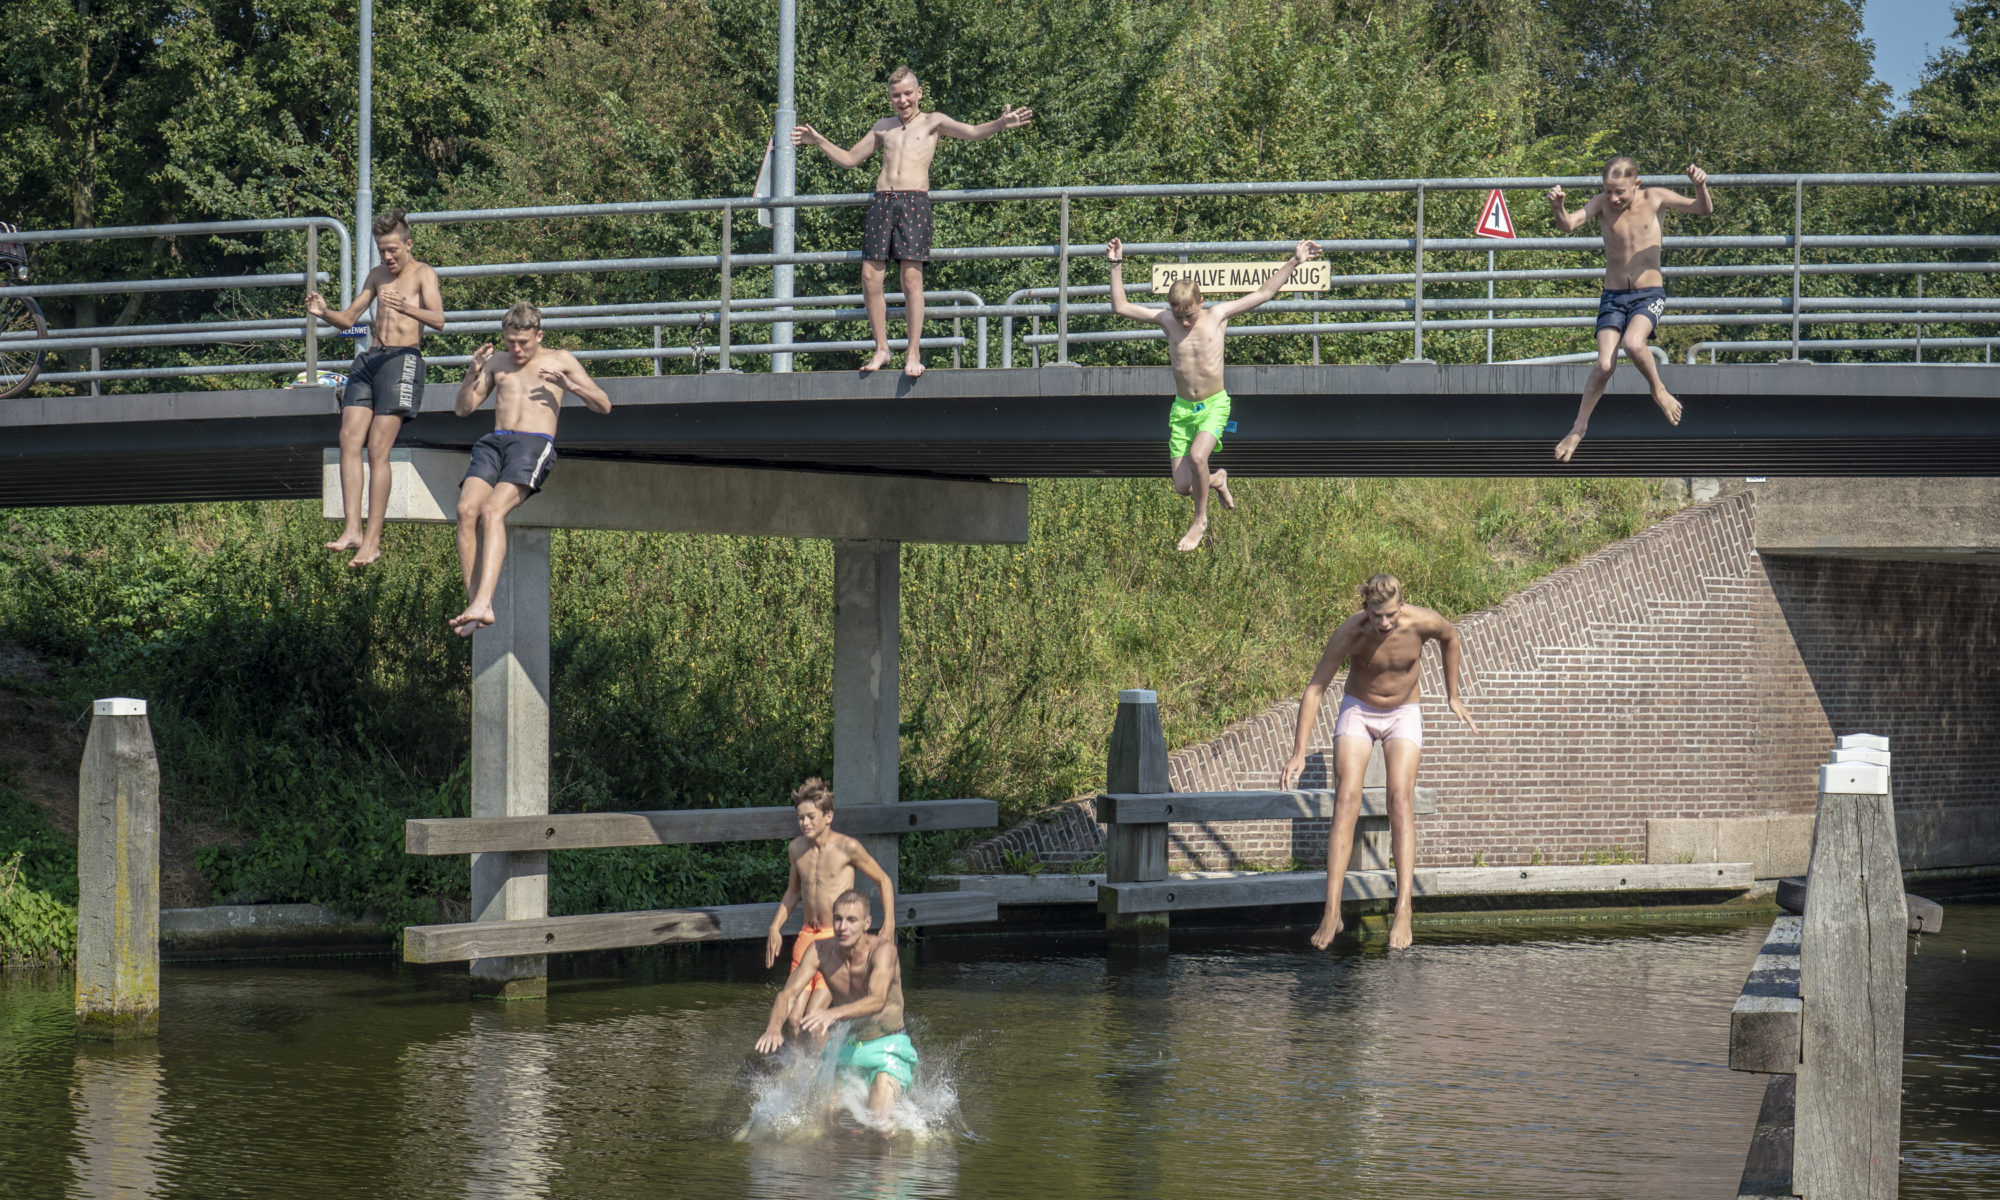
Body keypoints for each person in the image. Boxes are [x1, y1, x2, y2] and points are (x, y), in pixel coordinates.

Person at [1278, 573, 1477, 951]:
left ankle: (1403, 909)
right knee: (1346, 800)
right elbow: (1316, 687)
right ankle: (1332, 912)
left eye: (1389, 615)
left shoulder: (1421, 622)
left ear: (1402, 605)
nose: (1383, 624)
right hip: (1360, 710)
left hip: (1403, 711)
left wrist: (1453, 695)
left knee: (1399, 799)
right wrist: (1299, 750)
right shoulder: (1352, 632)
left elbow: (1450, 637)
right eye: (1375, 616)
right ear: (1364, 609)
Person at [792, 66, 1032, 378]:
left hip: (914, 202)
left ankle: (913, 351)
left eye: (907, 93)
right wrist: (819, 140)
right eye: (896, 95)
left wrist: (1000, 123)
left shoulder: (935, 121)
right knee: (869, 277)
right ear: (890, 98)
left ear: (919, 92)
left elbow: (972, 132)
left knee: (911, 279)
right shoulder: (883, 127)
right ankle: (882, 348)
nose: (902, 100)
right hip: (883, 201)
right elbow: (850, 159)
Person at [1105, 236, 1321, 551]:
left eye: (1189, 315)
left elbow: (1264, 292)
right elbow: (1120, 306)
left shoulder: (1218, 316)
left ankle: (1200, 521)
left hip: (1213, 406)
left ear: (1200, 302)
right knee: (1183, 486)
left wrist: (1294, 261)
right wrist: (1115, 264)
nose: (1185, 322)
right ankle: (1217, 479)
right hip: (1182, 410)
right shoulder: (1167, 321)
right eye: (1179, 317)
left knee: (1197, 456)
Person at [447, 301, 610, 636]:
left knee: (492, 511)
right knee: (466, 510)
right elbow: (463, 410)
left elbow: (603, 405)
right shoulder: (497, 362)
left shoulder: (560, 359)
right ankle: (476, 606)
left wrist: (570, 385)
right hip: (496, 442)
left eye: (523, 342)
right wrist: (472, 371)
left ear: (539, 334)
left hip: (532, 443)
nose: (517, 349)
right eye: (510, 342)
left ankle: (484, 601)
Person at [1547, 159, 1714, 463]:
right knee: (1604, 366)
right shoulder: (1600, 204)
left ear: (1636, 185)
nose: (1613, 198)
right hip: (1612, 296)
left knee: (1634, 344)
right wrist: (1559, 207)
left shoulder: (1655, 197)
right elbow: (1569, 224)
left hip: (1648, 293)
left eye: (1619, 192)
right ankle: (1578, 428)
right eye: (1608, 191)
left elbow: (1703, 209)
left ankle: (1658, 390)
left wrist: (1699, 185)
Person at [308, 209, 445, 567]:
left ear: (408, 245)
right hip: (370, 359)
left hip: (403, 360)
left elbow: (440, 320)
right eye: (383, 250)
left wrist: (407, 308)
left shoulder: (423, 274)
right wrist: (324, 312)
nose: (388, 257)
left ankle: (373, 540)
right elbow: (349, 320)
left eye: (394, 250)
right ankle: (352, 529)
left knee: (377, 448)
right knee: (348, 440)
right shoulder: (376, 276)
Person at [755, 889, 917, 1124]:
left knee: (879, 1124)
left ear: (866, 923)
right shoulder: (820, 950)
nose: (843, 927)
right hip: (847, 1046)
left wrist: (833, 1013)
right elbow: (788, 994)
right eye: (838, 919)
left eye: (852, 920)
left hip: (888, 1045)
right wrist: (773, 1026)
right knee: (825, 1121)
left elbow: (878, 999)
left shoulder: (883, 952)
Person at [764, 778, 896, 1042]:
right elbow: (793, 893)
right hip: (806, 937)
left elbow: (884, 880)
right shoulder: (796, 849)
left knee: (814, 1015)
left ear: (828, 816)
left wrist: (889, 924)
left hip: (836, 940)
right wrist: (775, 926)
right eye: (801, 818)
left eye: (811, 817)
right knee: (793, 1019)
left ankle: (828, 1075)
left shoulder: (848, 847)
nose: (805, 824)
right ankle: (802, 1076)